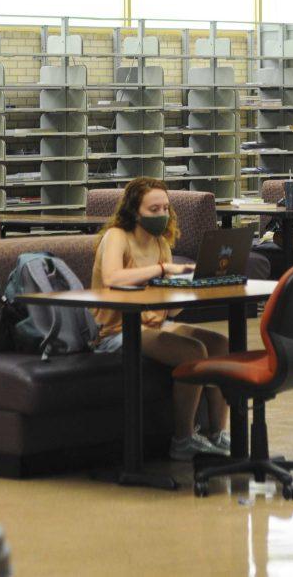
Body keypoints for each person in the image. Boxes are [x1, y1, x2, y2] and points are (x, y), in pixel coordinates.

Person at [91, 177, 230, 461]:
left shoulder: (160, 243)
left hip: (154, 325)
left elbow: (169, 310)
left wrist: (189, 285)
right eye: (154, 210)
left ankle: (217, 434)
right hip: (115, 331)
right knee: (192, 351)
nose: (162, 215)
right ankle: (183, 440)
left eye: (166, 208)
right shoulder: (117, 236)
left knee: (219, 344)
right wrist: (162, 270)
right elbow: (112, 277)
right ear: (134, 211)